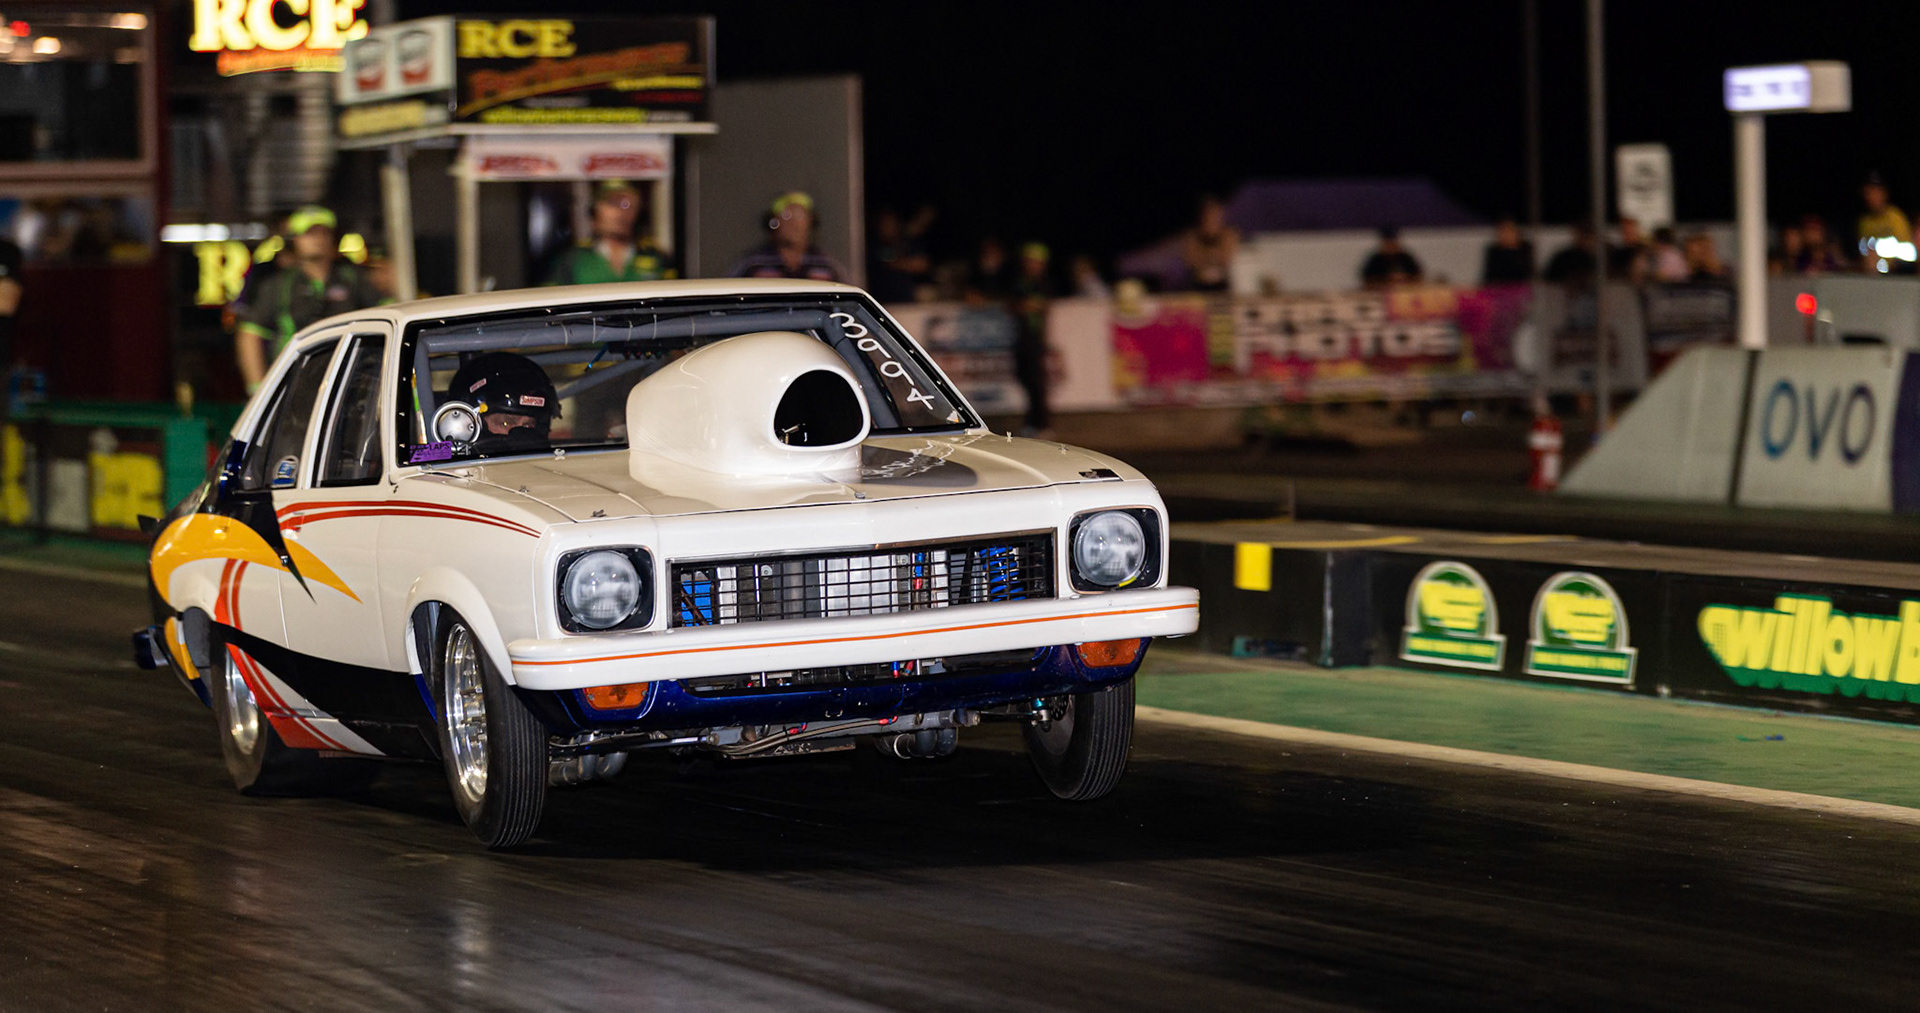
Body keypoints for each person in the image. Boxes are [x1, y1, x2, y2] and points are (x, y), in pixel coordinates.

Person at [235, 206, 381, 392]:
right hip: (295, 382)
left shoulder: (353, 279)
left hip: (350, 380)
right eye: (309, 234)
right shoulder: (280, 285)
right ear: (294, 239)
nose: (318, 240)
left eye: (324, 233)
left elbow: (387, 314)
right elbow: (249, 334)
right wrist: (258, 387)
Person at [545, 180, 677, 286]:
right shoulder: (573, 259)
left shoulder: (657, 257)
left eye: (627, 205)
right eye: (611, 203)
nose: (620, 213)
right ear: (595, 211)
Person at [447, 351, 559, 454]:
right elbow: (431, 454)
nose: (520, 435)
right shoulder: (437, 462)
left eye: (528, 426)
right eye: (505, 423)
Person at [728, 191, 847, 282]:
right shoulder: (752, 263)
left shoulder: (827, 266)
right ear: (773, 223)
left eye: (799, 216)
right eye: (786, 216)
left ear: (811, 222)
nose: (793, 223)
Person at [1010, 242, 1055, 435]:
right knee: (1025, 379)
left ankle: (1042, 424)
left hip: (1035, 338)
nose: (1032, 265)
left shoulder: (1044, 283)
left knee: (1037, 382)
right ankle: (1032, 422)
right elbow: (1013, 305)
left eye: (1035, 262)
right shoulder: (1020, 282)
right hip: (1021, 338)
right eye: (1029, 261)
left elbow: (1042, 307)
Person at [867, 207, 929, 304]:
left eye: (891, 223)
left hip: (905, 299)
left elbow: (921, 264)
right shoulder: (874, 245)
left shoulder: (904, 243)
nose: (889, 227)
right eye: (884, 224)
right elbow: (885, 262)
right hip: (881, 300)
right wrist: (903, 263)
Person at [1180, 195, 1239, 292]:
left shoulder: (1229, 234)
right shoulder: (1191, 236)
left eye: (1215, 216)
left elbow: (1226, 259)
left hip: (1222, 286)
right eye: (1208, 216)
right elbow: (1191, 261)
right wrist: (1213, 255)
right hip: (1198, 286)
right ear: (1201, 217)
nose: (1212, 219)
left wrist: (1205, 256)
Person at [1856, 171, 1912, 272]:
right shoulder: (1864, 222)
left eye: (1876, 192)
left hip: (1896, 273)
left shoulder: (1895, 217)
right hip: (1872, 274)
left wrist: (1881, 255)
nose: (1872, 197)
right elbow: (1863, 252)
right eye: (1868, 192)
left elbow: (1908, 252)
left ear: (1884, 193)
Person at [1480, 218, 1534, 284]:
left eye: (1509, 231)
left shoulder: (1525, 249)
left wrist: (1512, 249)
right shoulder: (1494, 252)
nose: (1506, 235)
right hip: (1499, 288)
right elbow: (1489, 276)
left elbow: (1527, 274)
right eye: (1502, 231)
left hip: (1521, 288)